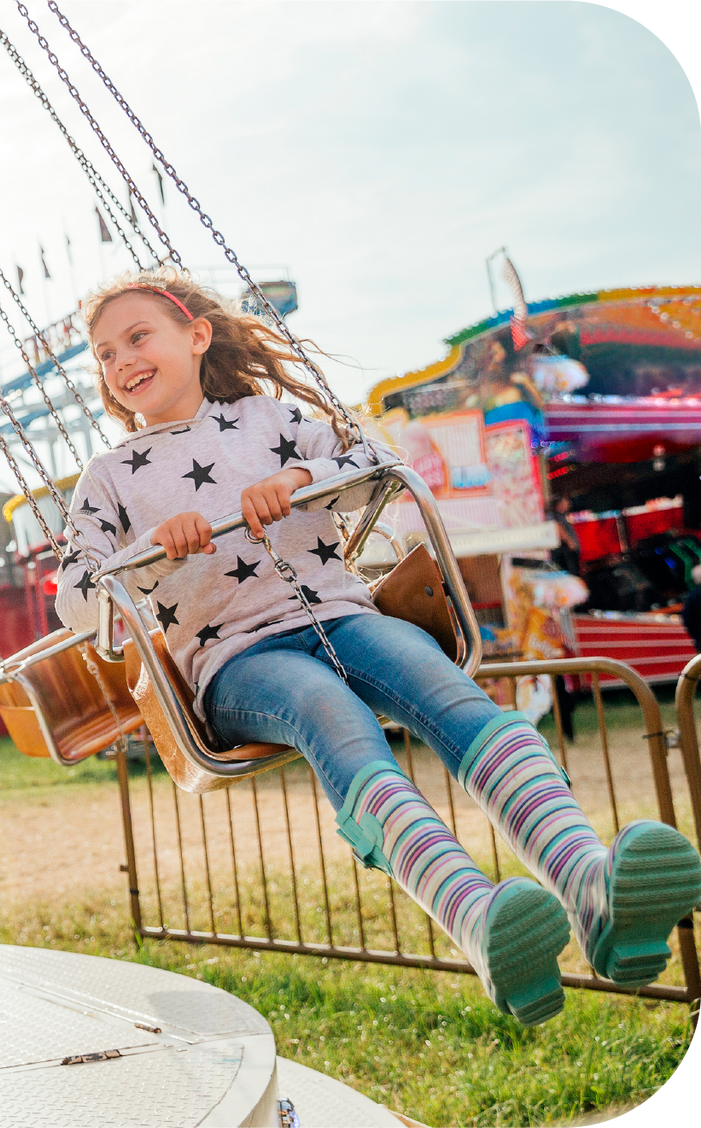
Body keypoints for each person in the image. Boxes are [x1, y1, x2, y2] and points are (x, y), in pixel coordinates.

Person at [55, 268, 701, 1026]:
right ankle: (477, 920)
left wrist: (299, 477)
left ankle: (592, 889)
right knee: (329, 713)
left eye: (138, 337)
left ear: (196, 337)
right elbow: (77, 597)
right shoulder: (107, 477)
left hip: (344, 615)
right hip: (236, 663)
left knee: (450, 695)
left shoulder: (268, 419)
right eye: (104, 354)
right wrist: (153, 552)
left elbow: (373, 463)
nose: (122, 360)